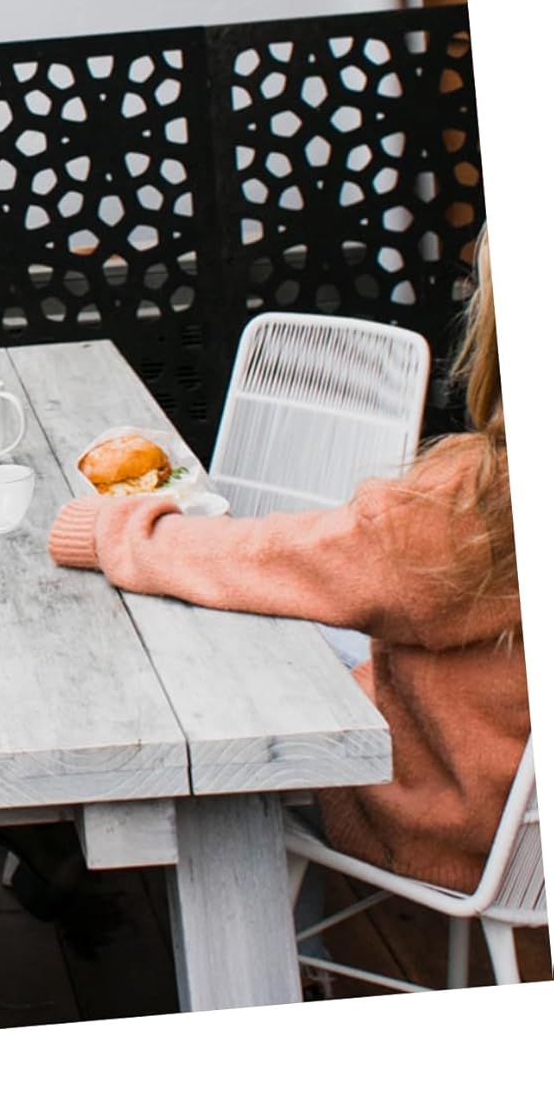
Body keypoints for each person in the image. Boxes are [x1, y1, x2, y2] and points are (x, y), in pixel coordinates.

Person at [46, 228, 525, 903]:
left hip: (445, 820)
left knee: (225, 692)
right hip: (515, 811)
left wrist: (105, 530)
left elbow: (284, 559)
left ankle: (261, 942)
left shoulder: (478, 503)